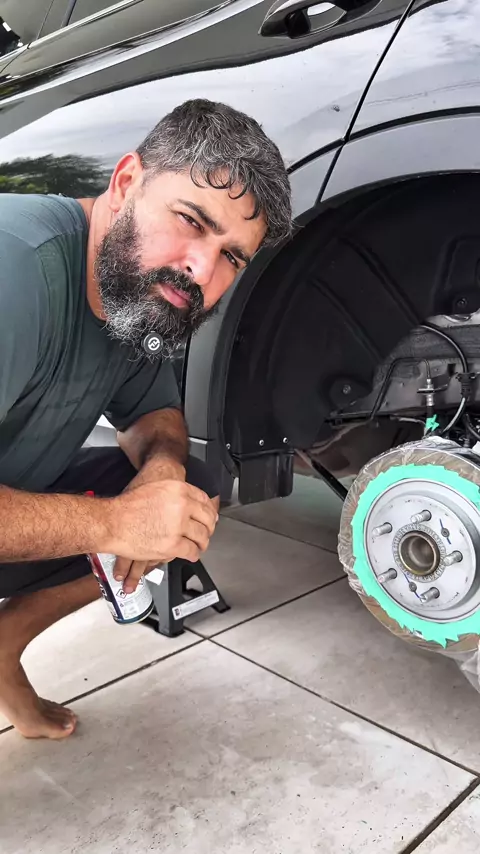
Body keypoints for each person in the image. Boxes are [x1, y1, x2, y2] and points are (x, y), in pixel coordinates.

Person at [0, 98, 292, 740]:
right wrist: (115, 522)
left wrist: (159, 477)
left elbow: (155, 415)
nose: (202, 269)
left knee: (189, 492)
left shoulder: (135, 291)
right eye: (191, 220)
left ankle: (3, 645)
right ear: (127, 181)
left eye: (232, 256)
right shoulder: (13, 268)